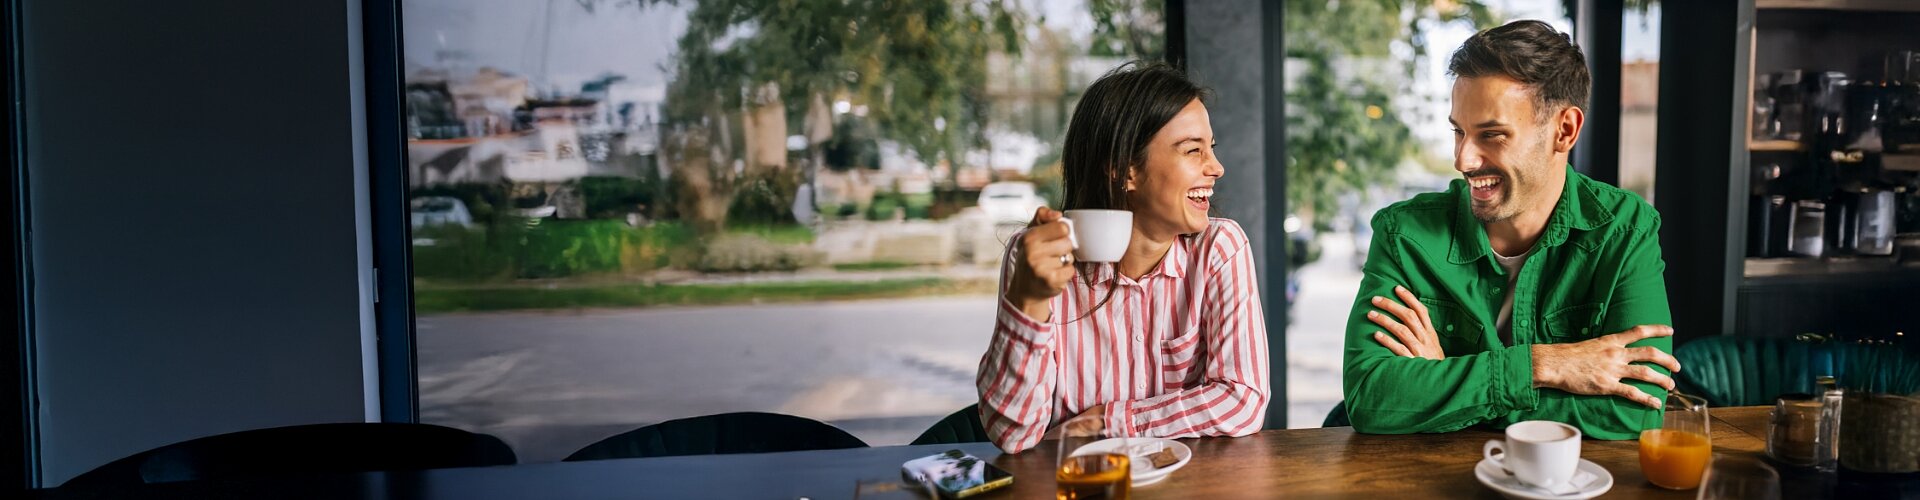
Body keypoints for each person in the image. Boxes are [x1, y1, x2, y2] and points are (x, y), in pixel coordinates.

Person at [1340, 20, 1682, 440]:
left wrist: (1446, 384)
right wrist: (1546, 365)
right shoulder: (1404, 234)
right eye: (1459, 132)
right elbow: (1372, 398)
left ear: (1564, 130)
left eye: (1492, 135)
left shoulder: (1626, 230)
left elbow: (1636, 413)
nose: (1463, 160)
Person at [977, 62, 1270, 453]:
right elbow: (1012, 434)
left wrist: (1110, 420)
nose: (1216, 168)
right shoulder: (1036, 257)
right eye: (1192, 151)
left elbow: (1243, 400)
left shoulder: (1219, 249)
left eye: (1210, 149)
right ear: (1124, 171)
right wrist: (1028, 302)